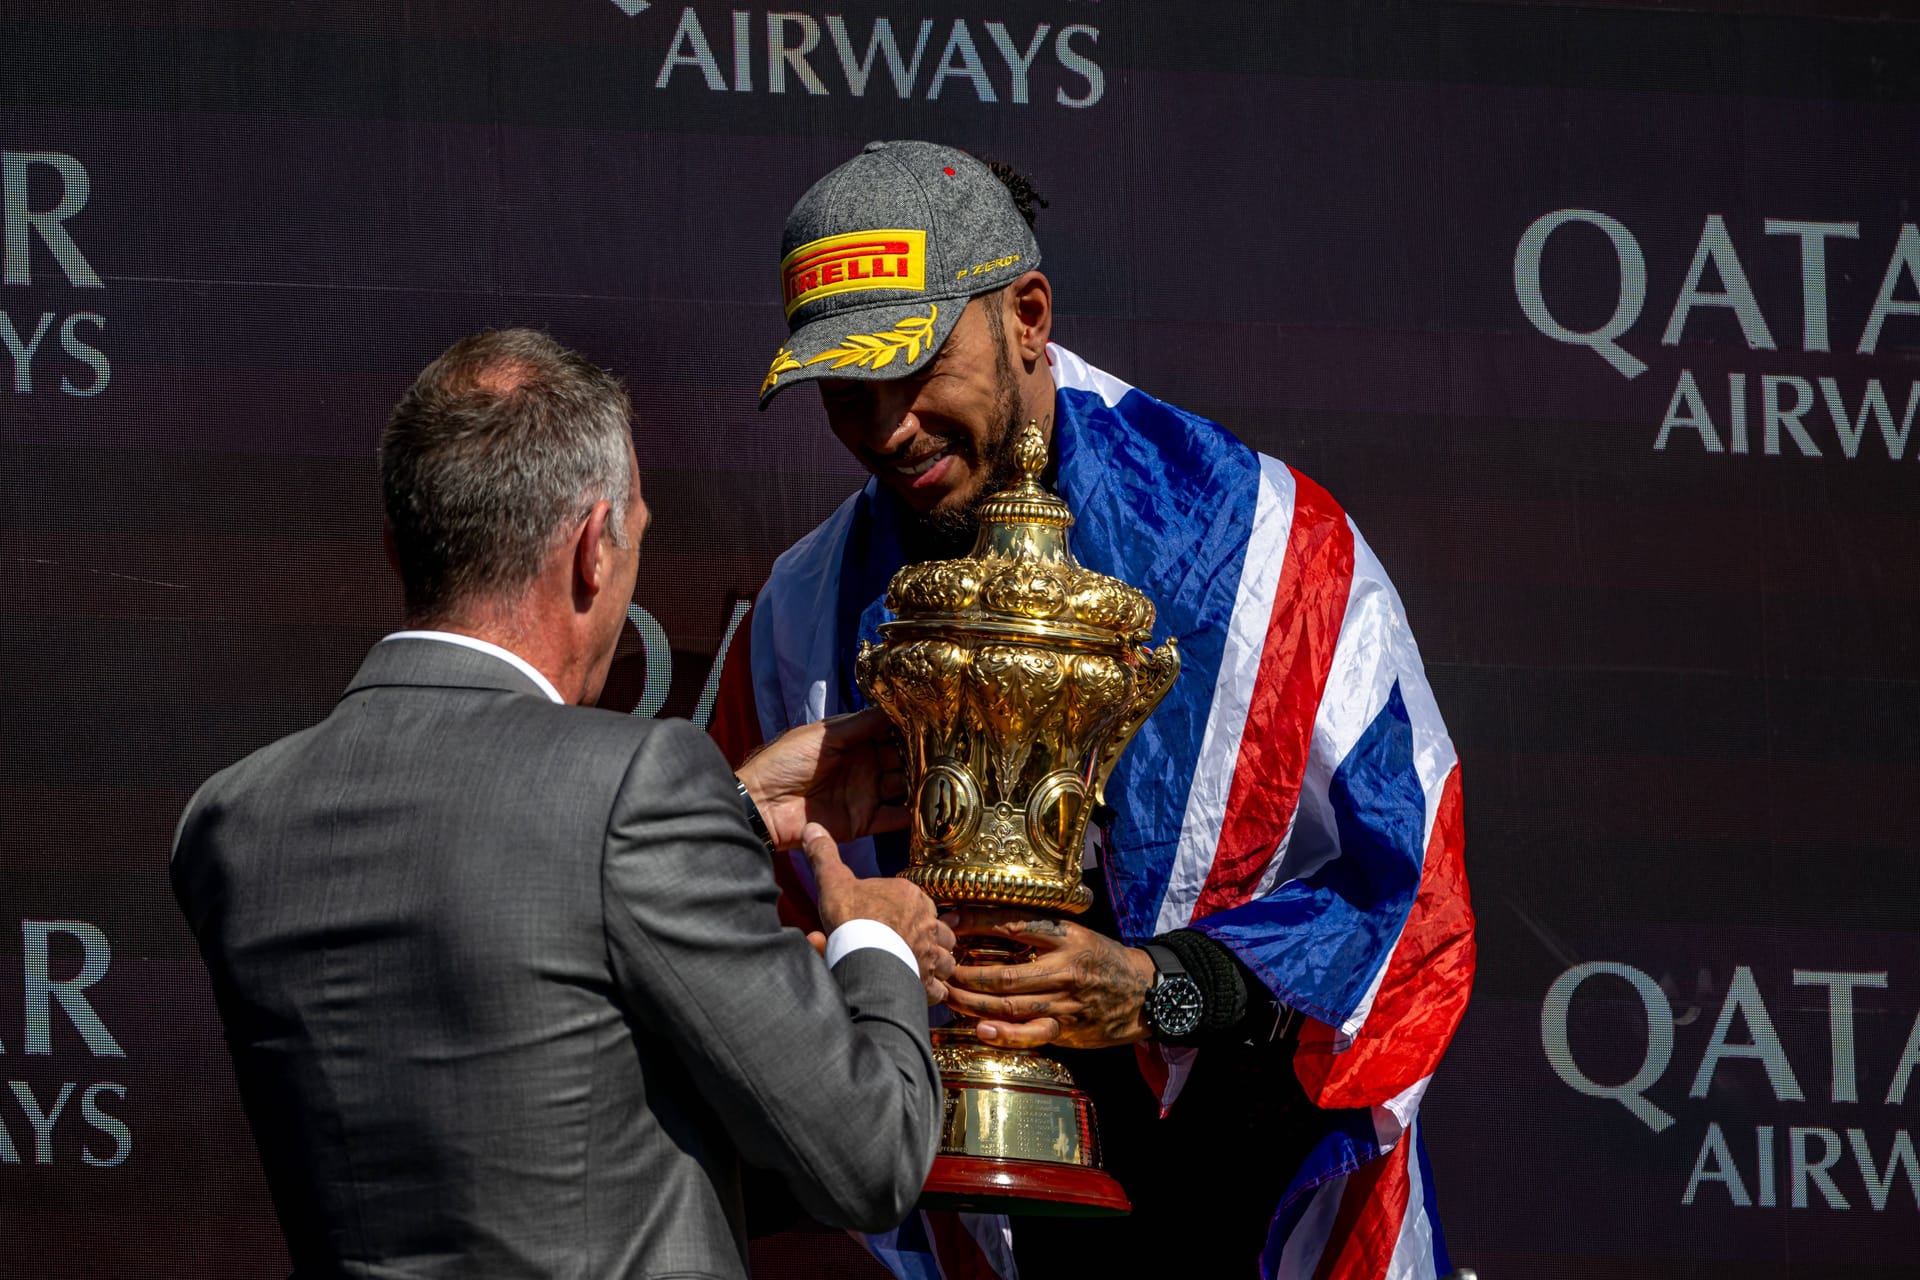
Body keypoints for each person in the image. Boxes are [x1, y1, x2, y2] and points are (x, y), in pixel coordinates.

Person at [712, 142, 1477, 1278]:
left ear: (1027, 315)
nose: (885, 428)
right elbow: (702, 965)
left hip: (1250, 1211)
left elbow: (1414, 900)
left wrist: (1160, 987)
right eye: (844, 390)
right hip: (981, 1215)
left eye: (914, 367)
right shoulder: (801, 615)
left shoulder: (1264, 554)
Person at [170, 329, 956, 1280]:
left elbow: (524, 1033)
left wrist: (734, 816)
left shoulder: (232, 823)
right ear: (592, 549)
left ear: (397, 549)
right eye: (637, 538)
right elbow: (866, 1159)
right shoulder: (638, 783)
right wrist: (880, 944)